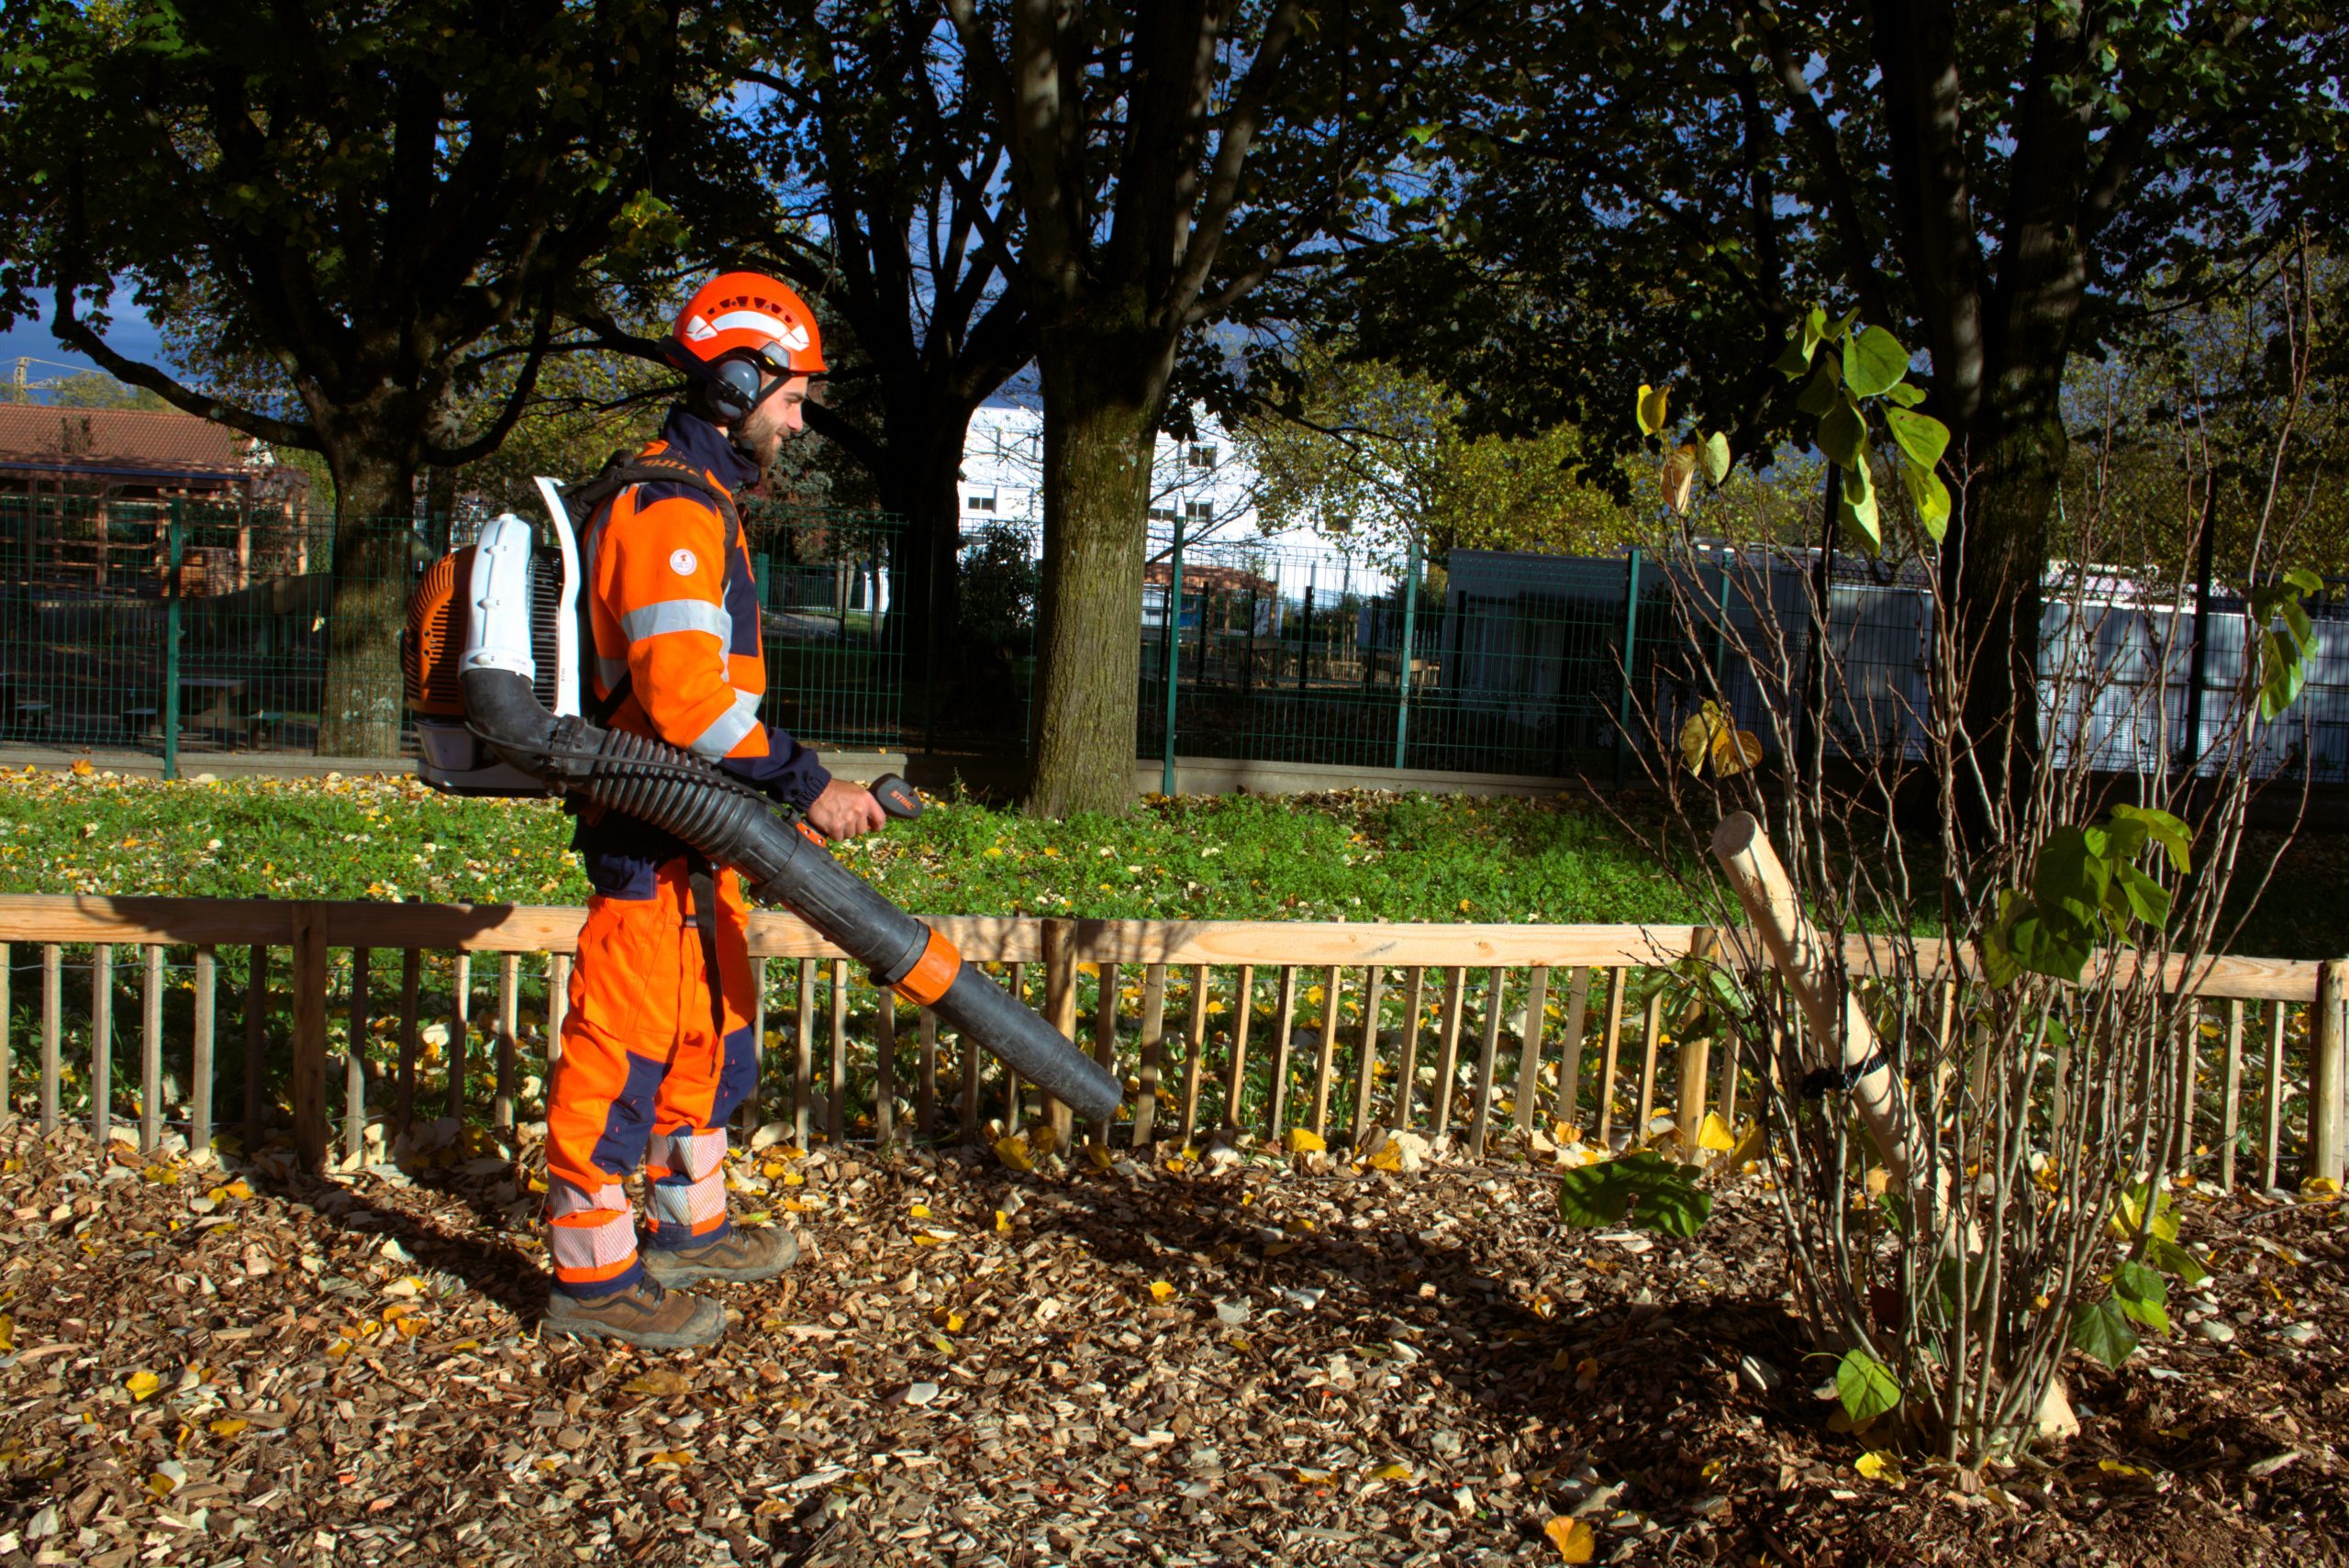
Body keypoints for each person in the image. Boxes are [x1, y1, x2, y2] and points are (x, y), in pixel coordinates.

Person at [540, 272, 887, 1349]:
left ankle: (689, 1227)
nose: (799, 420)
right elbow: (687, 699)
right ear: (734, 383)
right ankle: (593, 1278)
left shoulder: (700, 503)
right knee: (621, 1050)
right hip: (650, 833)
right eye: (791, 396)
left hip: (697, 834)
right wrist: (808, 782)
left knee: (709, 1031)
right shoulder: (671, 513)